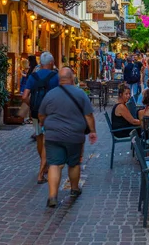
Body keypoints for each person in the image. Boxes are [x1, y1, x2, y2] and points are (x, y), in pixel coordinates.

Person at [38, 67, 97, 208]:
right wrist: (93, 131)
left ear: (60, 80)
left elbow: (41, 114)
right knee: (74, 163)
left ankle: (52, 196)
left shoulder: (50, 94)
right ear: (72, 78)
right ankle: (74, 189)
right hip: (74, 135)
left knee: (54, 164)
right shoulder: (80, 94)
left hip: (53, 135)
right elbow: (88, 115)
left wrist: (46, 124)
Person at [22, 52, 59, 184]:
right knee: (47, 142)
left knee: (39, 138)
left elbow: (24, 96)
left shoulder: (33, 76)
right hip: (50, 114)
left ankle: (43, 166)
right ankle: (42, 172)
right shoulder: (55, 76)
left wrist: (31, 106)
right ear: (51, 63)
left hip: (36, 112)